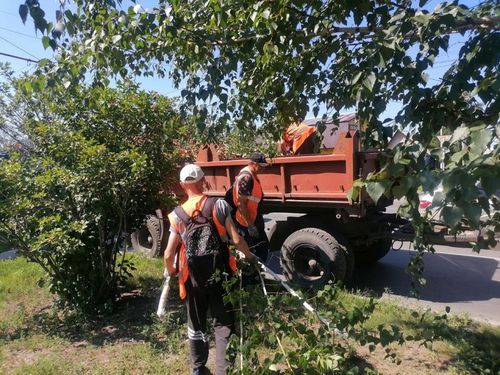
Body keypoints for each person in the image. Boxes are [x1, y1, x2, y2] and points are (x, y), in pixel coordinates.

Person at [163, 164, 256, 375]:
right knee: (223, 325)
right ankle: (225, 370)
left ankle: (198, 369)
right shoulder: (219, 205)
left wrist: (172, 272)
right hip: (220, 275)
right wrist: (250, 257)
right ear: (203, 181)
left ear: (182, 185)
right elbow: (235, 239)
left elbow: (169, 254)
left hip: (192, 278)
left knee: (196, 325)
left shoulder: (177, 215)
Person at [231, 152, 270, 263]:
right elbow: (241, 203)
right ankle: (251, 277)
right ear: (252, 163)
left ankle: (258, 273)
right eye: (260, 166)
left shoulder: (252, 175)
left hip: (254, 218)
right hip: (246, 222)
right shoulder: (246, 177)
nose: (263, 169)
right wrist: (250, 225)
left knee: (262, 247)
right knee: (249, 251)